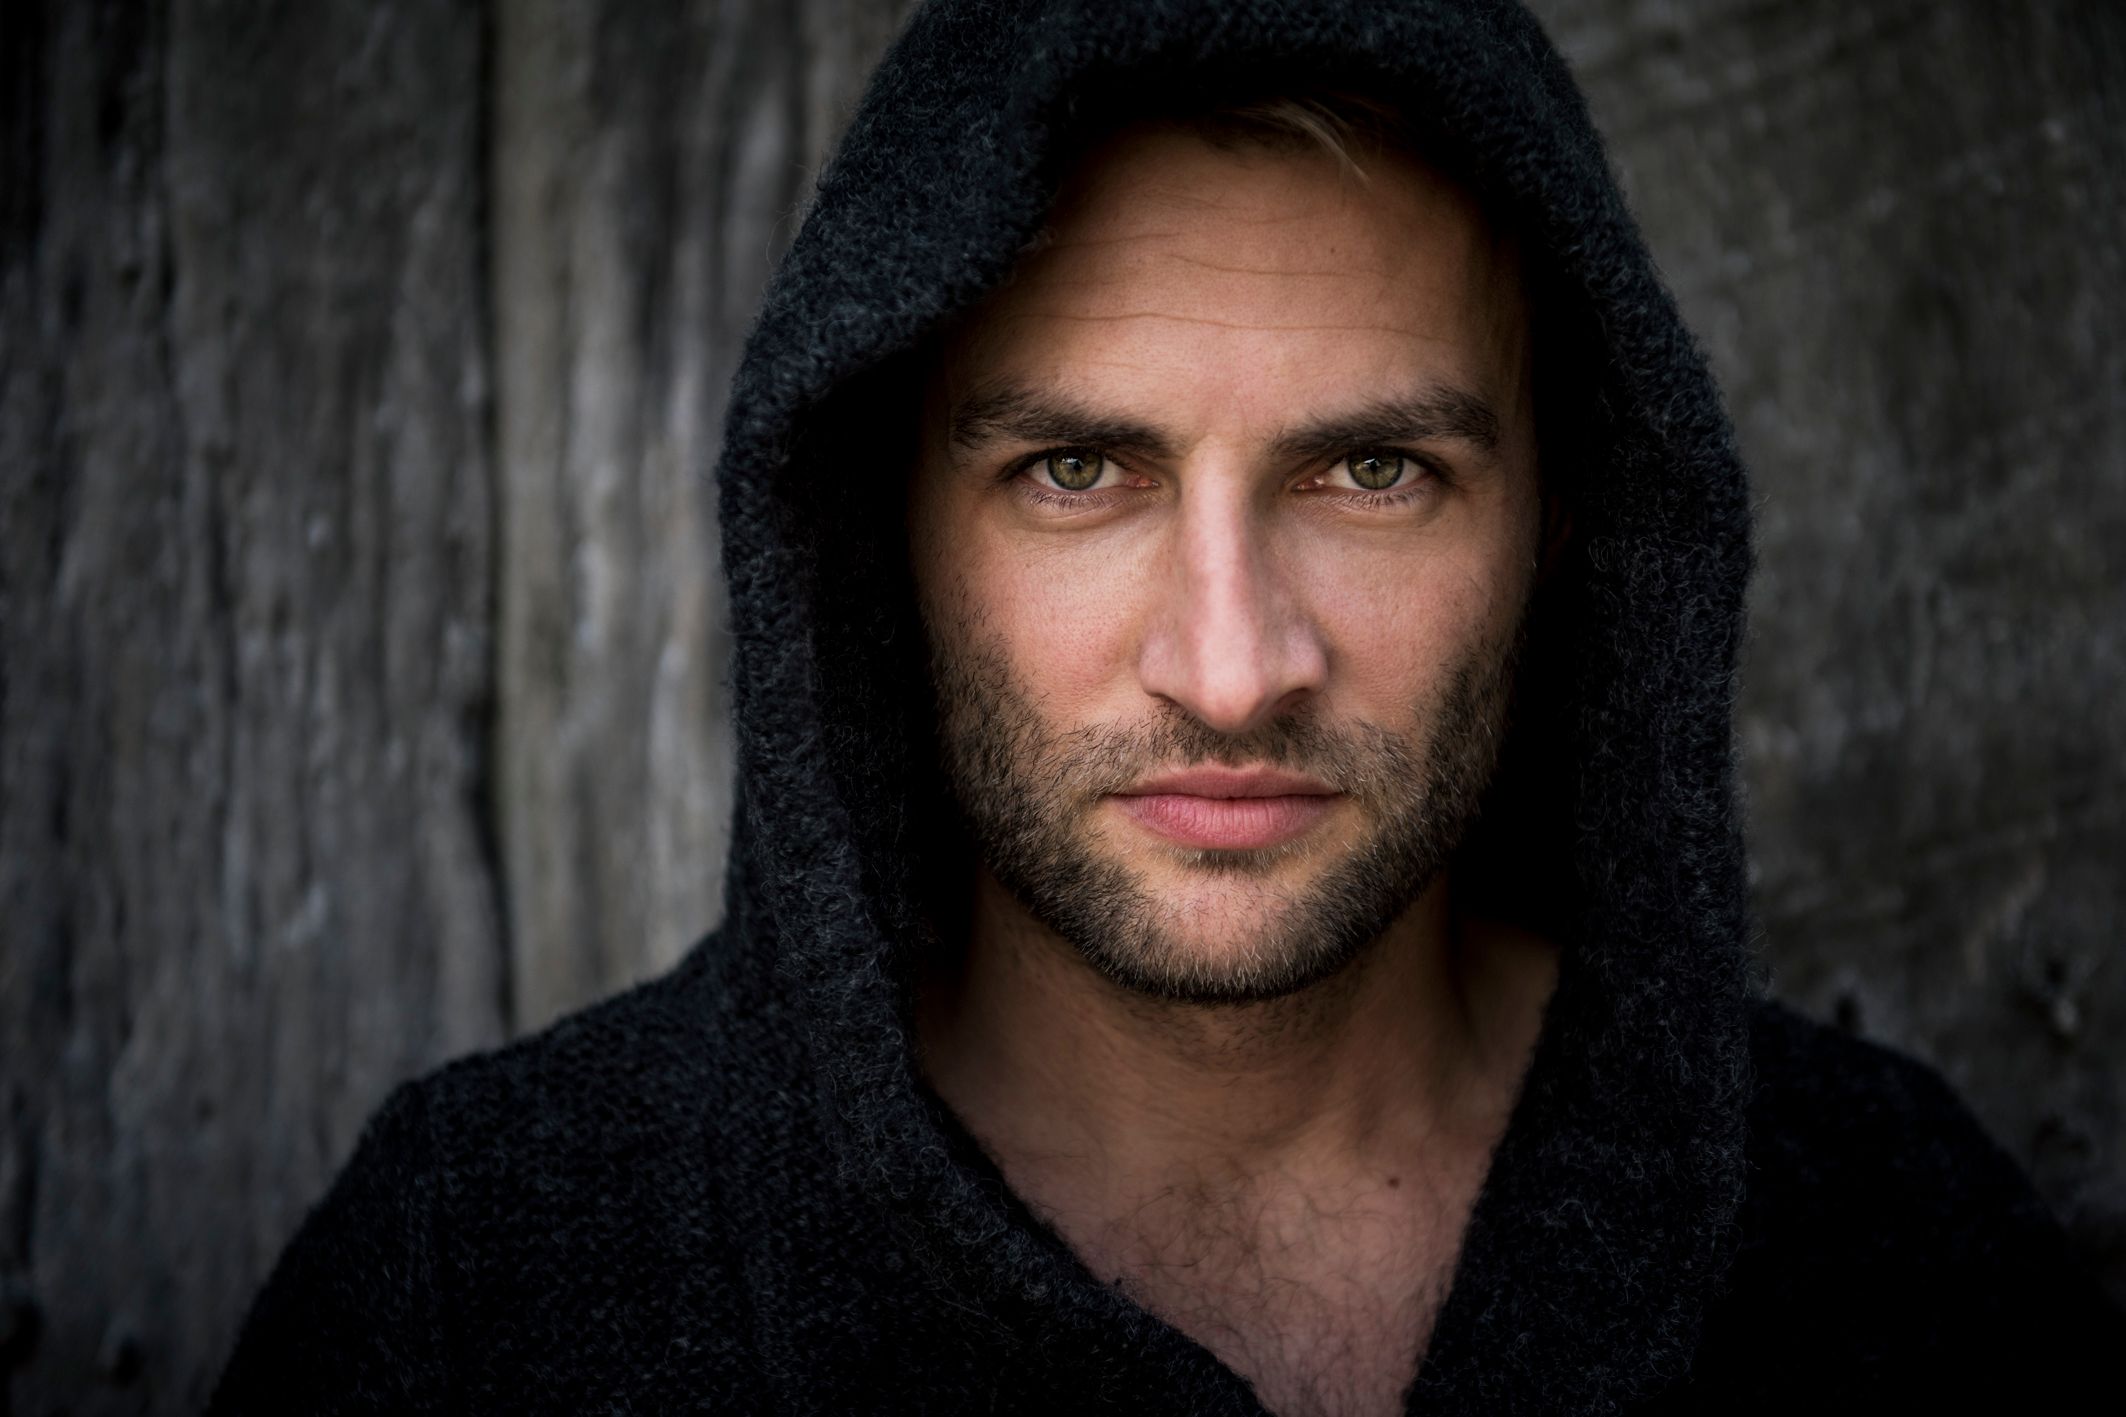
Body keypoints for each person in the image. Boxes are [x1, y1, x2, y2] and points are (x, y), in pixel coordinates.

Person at [209, 1, 2122, 1413]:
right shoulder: (483, 1283)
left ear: (1566, 521)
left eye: (1372, 473)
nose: (1229, 667)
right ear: (884, 532)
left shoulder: (1895, 1250)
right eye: (1077, 472)